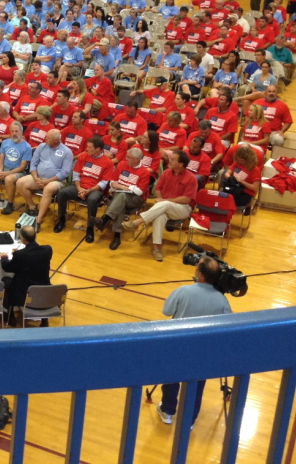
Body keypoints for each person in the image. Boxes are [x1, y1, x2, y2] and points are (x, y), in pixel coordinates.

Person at [156, 256, 232, 426]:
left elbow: (166, 311)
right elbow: (229, 326)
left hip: (177, 346)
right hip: (203, 351)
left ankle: (167, 411)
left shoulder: (183, 291)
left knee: (171, 378)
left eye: (197, 267)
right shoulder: (222, 300)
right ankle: (189, 420)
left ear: (201, 275)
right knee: (197, 386)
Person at [123, 151, 199, 261]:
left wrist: (164, 201)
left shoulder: (191, 178)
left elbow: (187, 199)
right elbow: (158, 189)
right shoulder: (166, 173)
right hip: (164, 206)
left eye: (173, 160)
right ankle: (157, 248)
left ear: (181, 164)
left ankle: (138, 222)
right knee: (160, 215)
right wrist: (162, 201)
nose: (170, 161)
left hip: (182, 208)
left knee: (166, 204)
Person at [53, 136, 115, 238]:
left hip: (95, 190)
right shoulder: (83, 156)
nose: (87, 149)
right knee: (62, 193)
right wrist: (79, 189)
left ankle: (90, 228)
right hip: (80, 186)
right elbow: (76, 174)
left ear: (98, 149)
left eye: (90, 147)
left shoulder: (108, 162)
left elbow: (104, 183)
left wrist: (88, 190)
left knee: (92, 199)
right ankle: (62, 219)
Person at [15, 129, 73, 229]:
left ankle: (38, 219)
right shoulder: (42, 147)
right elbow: (33, 164)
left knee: (48, 189)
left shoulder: (67, 152)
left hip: (56, 181)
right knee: (20, 182)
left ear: (56, 140)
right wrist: (36, 178)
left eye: (48, 138)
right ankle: (32, 207)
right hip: (38, 177)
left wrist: (47, 181)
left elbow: (65, 172)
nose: (45, 139)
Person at [96, 147, 151, 250]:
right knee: (120, 202)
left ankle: (105, 219)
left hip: (136, 199)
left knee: (121, 197)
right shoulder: (122, 164)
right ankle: (117, 236)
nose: (126, 158)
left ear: (136, 159)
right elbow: (112, 182)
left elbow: (139, 192)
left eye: (129, 157)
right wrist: (128, 187)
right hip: (119, 196)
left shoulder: (144, 172)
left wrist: (123, 187)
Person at [0, 225, 52, 324]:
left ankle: (10, 317)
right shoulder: (47, 250)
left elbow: (7, 267)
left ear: (22, 238)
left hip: (25, 292)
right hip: (44, 289)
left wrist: (4, 257)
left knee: (7, 281)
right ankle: (44, 320)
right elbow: (33, 256)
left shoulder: (20, 255)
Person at [0, 120, 31, 215]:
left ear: (21, 132)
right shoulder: (5, 143)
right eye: (12, 131)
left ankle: (10, 204)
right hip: (4, 168)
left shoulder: (27, 147)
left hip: (18, 171)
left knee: (9, 179)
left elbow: (22, 167)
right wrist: (0, 170)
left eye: (16, 131)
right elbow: (1, 158)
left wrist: (7, 173)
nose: (14, 133)